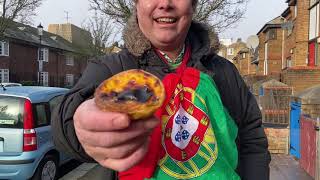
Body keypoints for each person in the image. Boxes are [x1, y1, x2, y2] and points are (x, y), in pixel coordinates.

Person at [52, 0, 271, 179]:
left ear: (193, 6)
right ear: (136, 5)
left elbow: (252, 139)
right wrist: (80, 125)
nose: (165, 3)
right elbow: (67, 118)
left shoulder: (224, 71)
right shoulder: (113, 69)